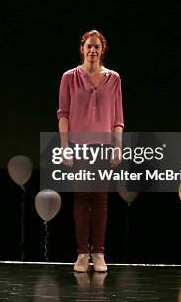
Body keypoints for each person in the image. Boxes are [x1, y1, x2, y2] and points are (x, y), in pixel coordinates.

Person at [57, 29, 124, 273]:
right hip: (78, 146)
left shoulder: (114, 78)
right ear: (82, 49)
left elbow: (118, 117)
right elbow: (63, 114)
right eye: (89, 46)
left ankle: (99, 253)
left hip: (104, 146)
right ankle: (83, 254)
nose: (93, 50)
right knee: (81, 199)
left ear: (102, 50)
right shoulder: (69, 77)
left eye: (97, 46)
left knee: (100, 200)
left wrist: (118, 147)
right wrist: (65, 148)